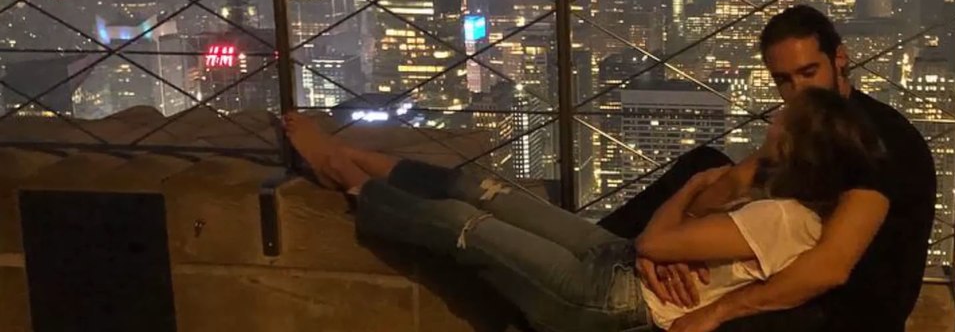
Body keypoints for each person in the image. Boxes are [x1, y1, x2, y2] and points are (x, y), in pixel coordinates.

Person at [282, 86, 888, 332]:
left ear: (797, 145)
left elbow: (659, 242)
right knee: (488, 191)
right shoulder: (793, 209)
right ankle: (355, 156)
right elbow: (681, 247)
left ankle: (352, 183)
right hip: (619, 266)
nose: (771, 119)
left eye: (781, 122)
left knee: (466, 228)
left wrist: (685, 192)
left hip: (608, 300)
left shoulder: (783, 219)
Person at [597, 5, 938, 332]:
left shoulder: (875, 142)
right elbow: (730, 185)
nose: (798, 90)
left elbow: (830, 269)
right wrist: (666, 252)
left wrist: (716, 312)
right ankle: (612, 257)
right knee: (703, 164)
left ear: (840, 59)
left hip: (846, 307)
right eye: (784, 80)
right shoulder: (807, 127)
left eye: (808, 72)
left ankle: (601, 272)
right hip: (793, 268)